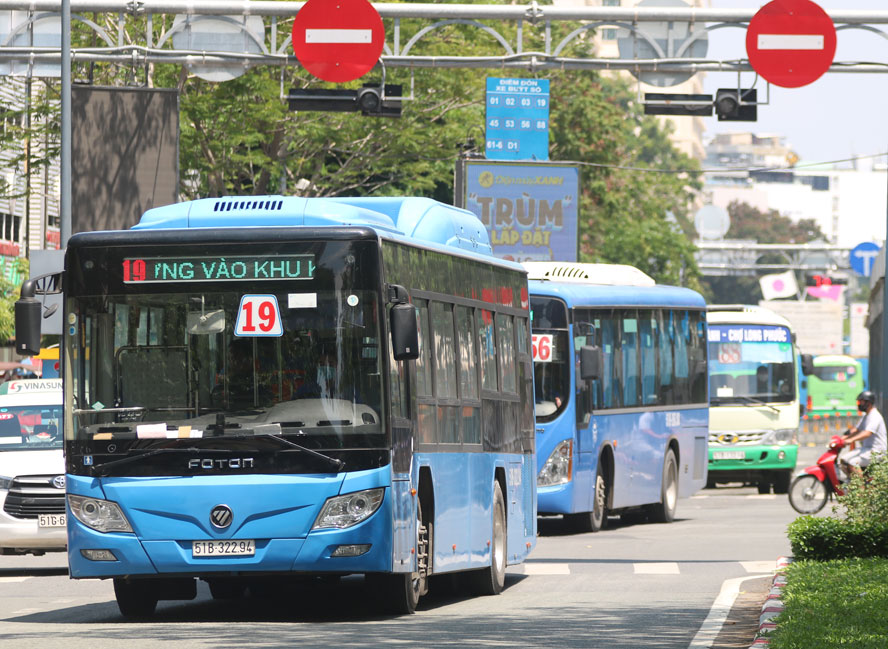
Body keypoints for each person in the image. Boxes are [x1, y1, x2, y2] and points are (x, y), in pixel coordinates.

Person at [839, 390, 887, 480]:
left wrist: (851, 440)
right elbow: (856, 430)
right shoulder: (866, 416)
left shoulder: (875, 416)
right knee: (843, 460)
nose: (859, 404)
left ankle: (861, 490)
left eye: (861, 402)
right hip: (867, 450)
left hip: (876, 451)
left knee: (852, 463)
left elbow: (867, 433)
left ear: (868, 403)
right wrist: (843, 438)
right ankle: (855, 481)